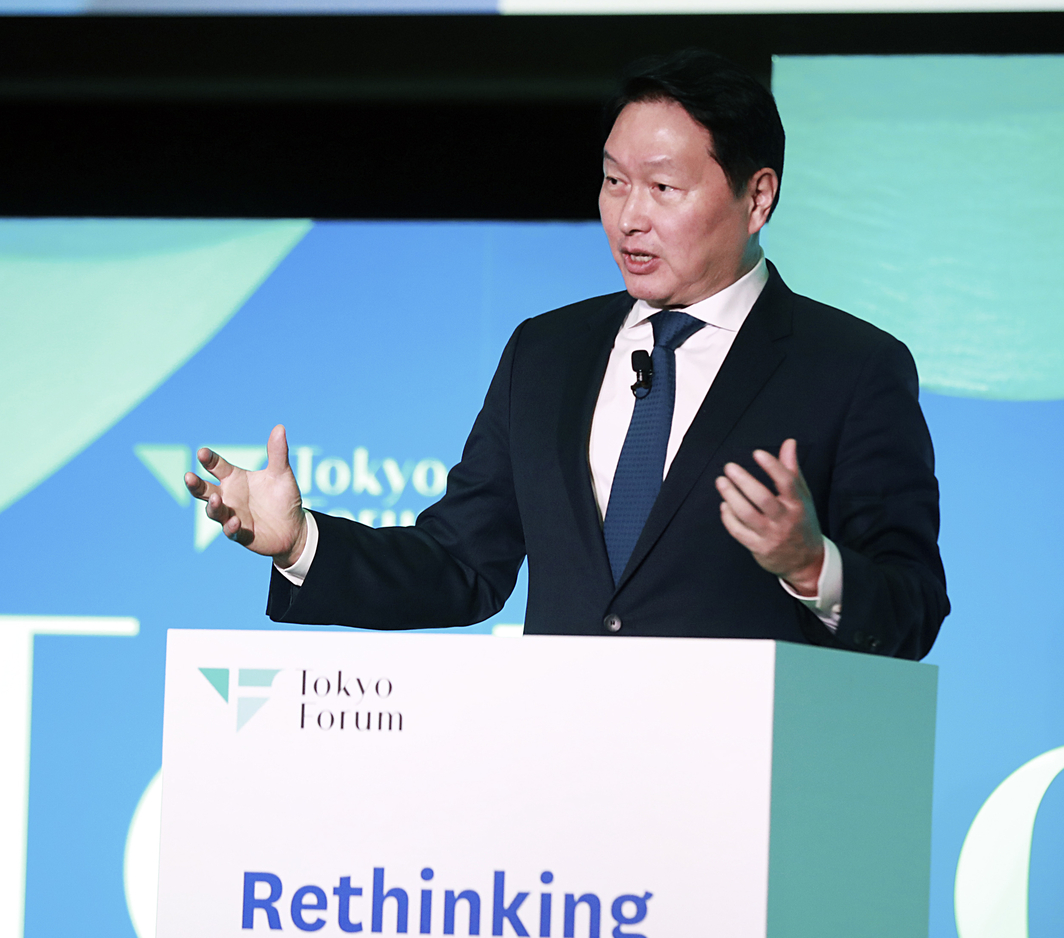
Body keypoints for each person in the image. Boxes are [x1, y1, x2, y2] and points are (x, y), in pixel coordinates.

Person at [183, 49, 948, 660]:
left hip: (746, 783)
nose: (629, 216)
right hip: (560, 777)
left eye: (663, 188)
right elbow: (461, 565)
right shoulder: (546, 354)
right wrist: (301, 542)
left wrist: (812, 565)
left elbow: (912, 611)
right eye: (614, 182)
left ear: (758, 198)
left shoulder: (851, 370)